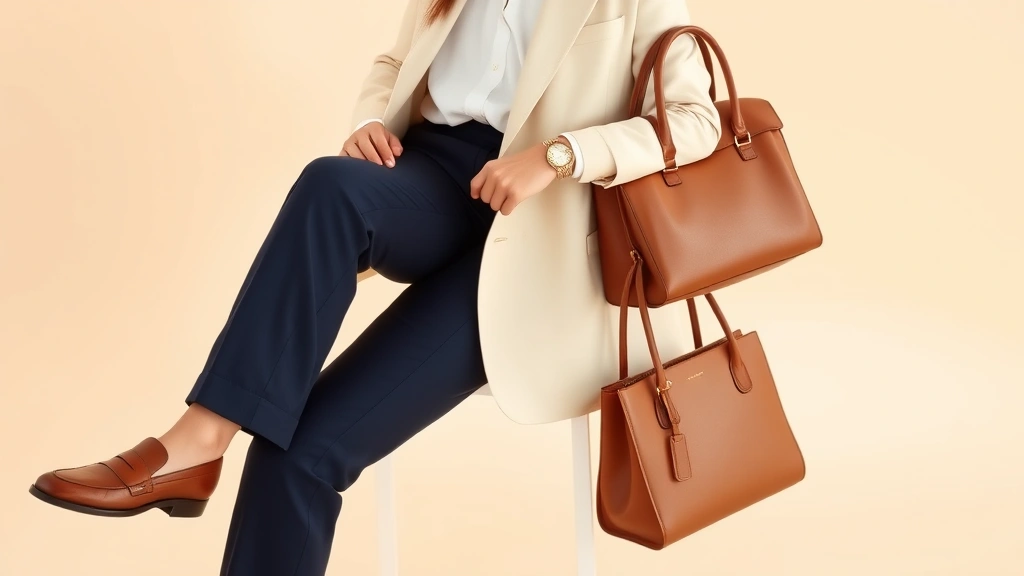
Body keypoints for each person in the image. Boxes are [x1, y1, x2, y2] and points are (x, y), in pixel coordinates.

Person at [29, 0, 721, 573]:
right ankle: (199, 440)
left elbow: (697, 120)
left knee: (298, 451)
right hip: (436, 179)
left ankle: (207, 448)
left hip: (544, 231)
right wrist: (368, 121)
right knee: (331, 186)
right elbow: (398, 63)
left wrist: (558, 156)